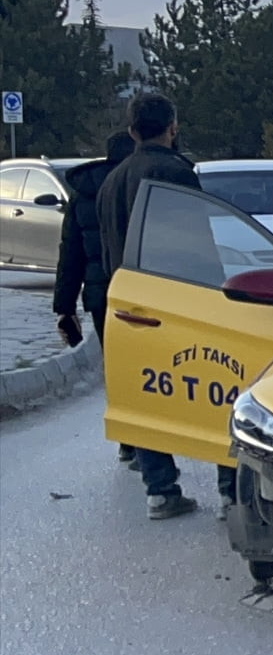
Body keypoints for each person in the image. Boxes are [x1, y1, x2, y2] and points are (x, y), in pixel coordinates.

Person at [97, 92, 227, 521]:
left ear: (132, 131)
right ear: (173, 126)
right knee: (216, 389)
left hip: (129, 303)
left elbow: (106, 252)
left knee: (145, 397)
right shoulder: (174, 173)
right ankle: (231, 490)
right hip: (179, 300)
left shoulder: (112, 181)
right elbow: (197, 244)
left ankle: (160, 489)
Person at [53, 129, 137, 467]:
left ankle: (127, 442)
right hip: (142, 291)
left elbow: (69, 252)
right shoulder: (137, 184)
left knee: (116, 368)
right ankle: (150, 439)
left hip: (101, 296)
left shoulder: (84, 193)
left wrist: (64, 307)